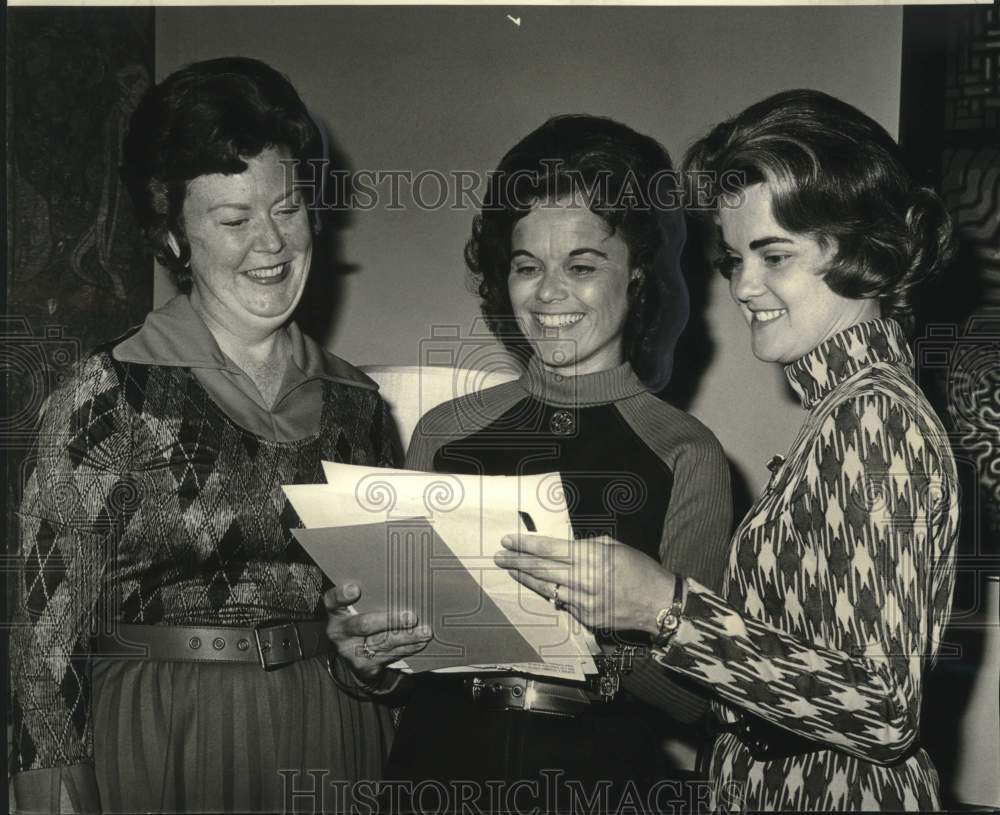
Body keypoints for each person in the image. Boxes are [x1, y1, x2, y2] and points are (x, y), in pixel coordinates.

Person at [495, 90, 960, 812]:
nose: (743, 285)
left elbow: (882, 707)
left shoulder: (873, 417)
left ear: (862, 249)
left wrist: (664, 605)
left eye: (775, 254)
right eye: (734, 258)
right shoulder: (845, 410)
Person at [9, 57, 428, 814]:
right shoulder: (106, 396)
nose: (270, 244)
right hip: (161, 738)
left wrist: (375, 664)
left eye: (288, 209)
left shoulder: (358, 406)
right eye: (233, 220)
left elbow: (380, 624)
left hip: (331, 737)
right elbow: (46, 648)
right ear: (174, 237)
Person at [327, 114, 734, 810]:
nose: (548, 294)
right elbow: (404, 666)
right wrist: (369, 660)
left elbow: (697, 699)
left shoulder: (686, 452)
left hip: (601, 785)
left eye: (581, 265)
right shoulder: (445, 433)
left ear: (637, 274)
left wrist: (592, 629)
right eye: (526, 266)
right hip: (435, 773)